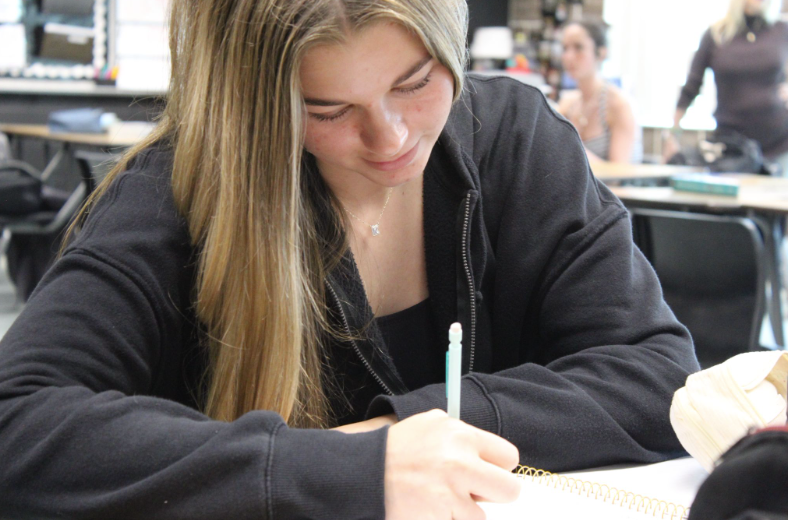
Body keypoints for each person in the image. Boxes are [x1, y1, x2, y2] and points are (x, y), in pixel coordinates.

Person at [0, 0, 699, 518]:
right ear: (259, 106)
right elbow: (18, 424)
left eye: (415, 81)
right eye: (329, 111)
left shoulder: (516, 140)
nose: (391, 138)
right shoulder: (178, 193)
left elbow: (660, 377)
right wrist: (351, 469)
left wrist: (409, 433)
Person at [673, 0, 788, 173]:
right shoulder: (716, 34)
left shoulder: (782, 30)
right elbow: (691, 87)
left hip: (778, 145)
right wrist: (672, 135)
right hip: (731, 148)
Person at [558, 21, 643, 164]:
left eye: (578, 47)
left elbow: (620, 171)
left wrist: (573, 149)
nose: (568, 56)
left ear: (601, 53)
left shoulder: (619, 104)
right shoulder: (567, 105)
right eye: (565, 48)